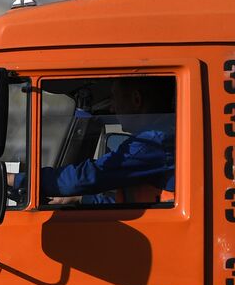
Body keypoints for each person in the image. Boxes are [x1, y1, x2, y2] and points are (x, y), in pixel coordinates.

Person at [41, 77, 175, 206]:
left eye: (114, 98)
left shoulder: (153, 142)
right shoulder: (162, 136)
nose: (111, 108)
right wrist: (81, 199)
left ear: (136, 100)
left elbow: (92, 175)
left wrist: (28, 181)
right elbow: (131, 206)